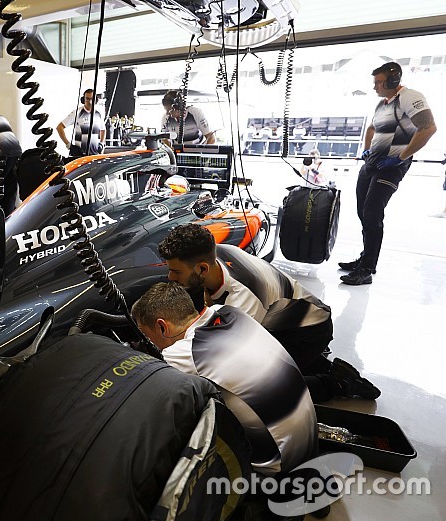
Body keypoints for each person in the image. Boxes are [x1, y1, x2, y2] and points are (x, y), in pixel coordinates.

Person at [158, 223, 381, 402]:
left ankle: (338, 383)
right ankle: (314, 364)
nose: (170, 277)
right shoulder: (217, 254)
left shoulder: (244, 298)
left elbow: (220, 354)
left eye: (175, 271)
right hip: (284, 315)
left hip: (308, 330)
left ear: (202, 269)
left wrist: (165, 358)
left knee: (255, 385)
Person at [131, 281, 316, 475]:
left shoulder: (183, 353)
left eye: (146, 336)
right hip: (306, 438)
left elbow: (145, 392)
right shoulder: (229, 312)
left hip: (276, 462)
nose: (148, 343)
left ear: (162, 327)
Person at [339, 62, 437, 285]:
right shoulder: (381, 104)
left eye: (378, 82)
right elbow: (372, 129)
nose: (375, 87)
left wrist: (401, 157)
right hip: (372, 162)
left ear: (392, 81)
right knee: (363, 212)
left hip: (392, 165)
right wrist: (366, 149)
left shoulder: (410, 97)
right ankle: (365, 257)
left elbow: (428, 128)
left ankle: (366, 269)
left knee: (373, 212)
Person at [57, 89, 106, 156]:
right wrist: (68, 145)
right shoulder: (77, 112)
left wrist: (102, 143)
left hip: (95, 154)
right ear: (83, 100)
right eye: (87, 99)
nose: (90, 102)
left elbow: (103, 130)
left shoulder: (98, 114)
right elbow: (59, 127)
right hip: (80, 155)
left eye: (92, 99)